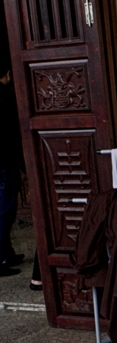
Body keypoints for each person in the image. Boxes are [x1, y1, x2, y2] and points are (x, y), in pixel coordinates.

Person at [0, 61, 24, 276]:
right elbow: (13, 134)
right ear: (8, 74)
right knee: (5, 212)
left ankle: (7, 253)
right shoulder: (5, 97)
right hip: (4, 161)